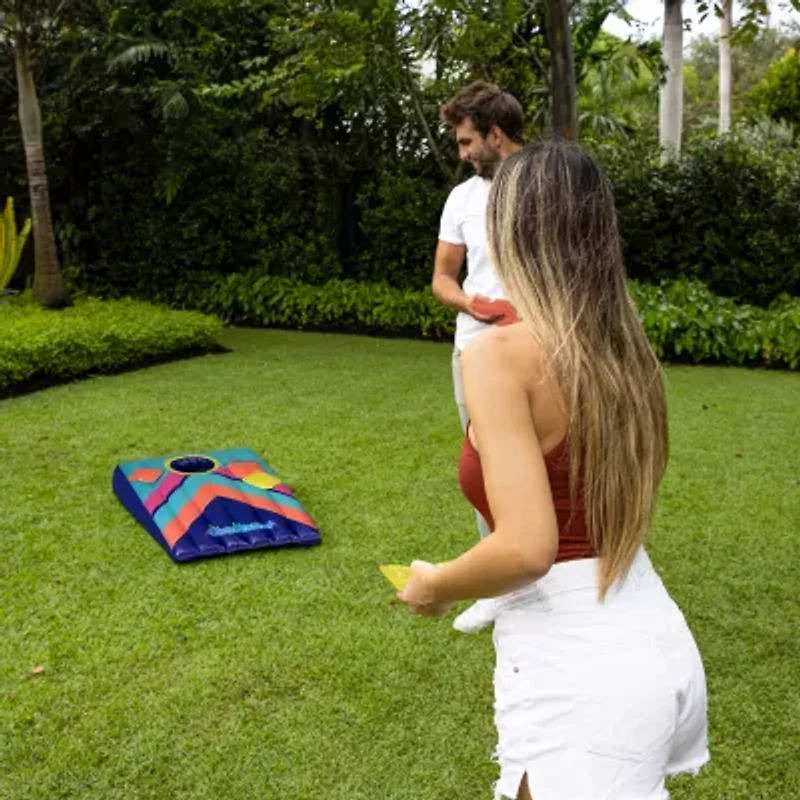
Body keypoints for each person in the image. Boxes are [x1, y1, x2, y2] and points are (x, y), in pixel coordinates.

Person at [399, 141, 709, 800]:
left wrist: (436, 585)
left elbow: (526, 548)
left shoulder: (498, 356)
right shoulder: (621, 345)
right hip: (646, 630)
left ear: (511, 232)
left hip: (579, 667)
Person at [433, 82, 523, 633]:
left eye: (467, 142)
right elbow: (443, 278)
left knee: (557, 459)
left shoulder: (546, 184)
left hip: (542, 348)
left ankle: (560, 575)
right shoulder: (462, 198)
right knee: (485, 466)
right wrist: (471, 303)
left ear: (494, 134)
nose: (463, 154)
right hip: (476, 349)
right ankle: (496, 589)